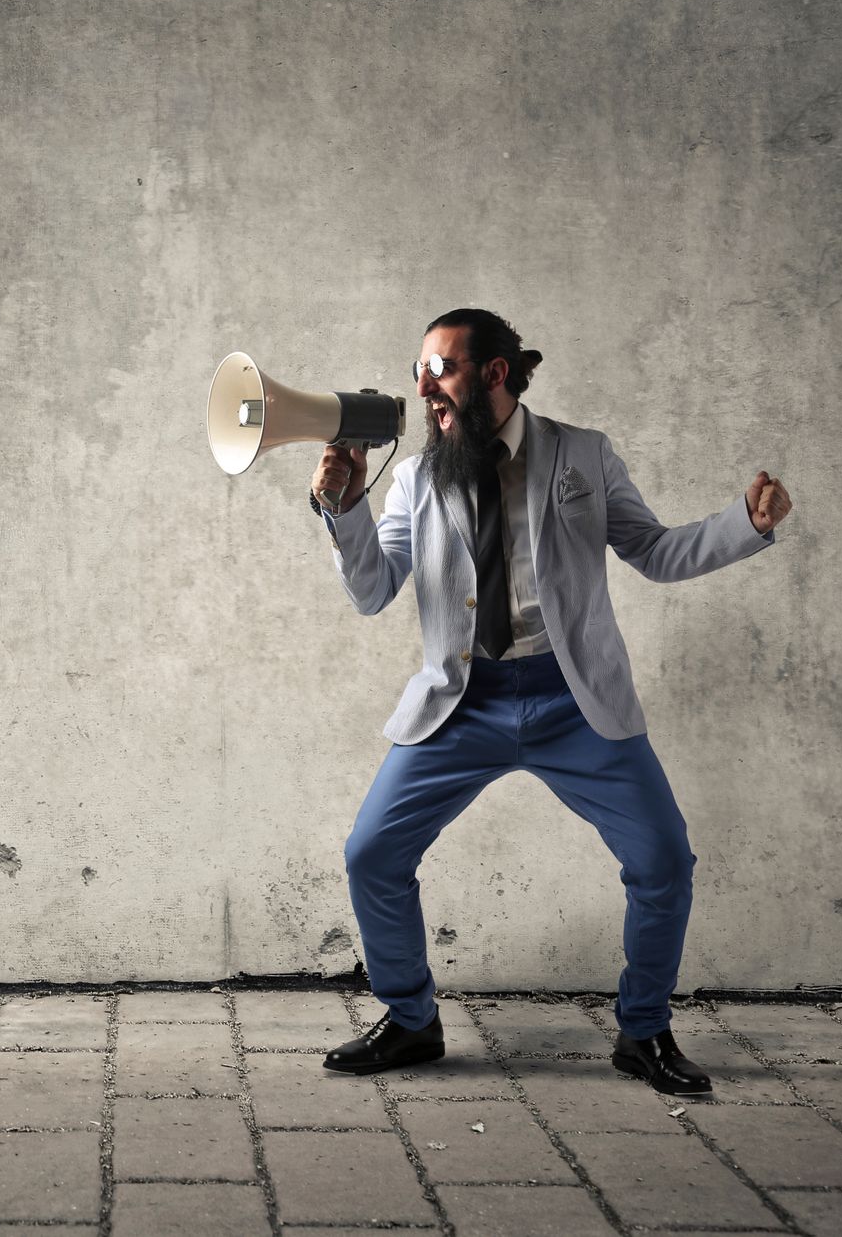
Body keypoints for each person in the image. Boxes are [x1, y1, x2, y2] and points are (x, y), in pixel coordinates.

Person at [310, 309, 790, 1095]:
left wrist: (745, 525)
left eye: (442, 368)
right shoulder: (417, 478)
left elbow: (655, 551)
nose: (425, 387)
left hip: (576, 700)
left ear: (495, 374)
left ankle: (643, 1030)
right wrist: (345, 508)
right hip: (462, 702)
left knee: (664, 860)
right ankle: (411, 1019)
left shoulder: (583, 454)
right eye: (419, 371)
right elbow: (371, 590)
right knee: (373, 854)